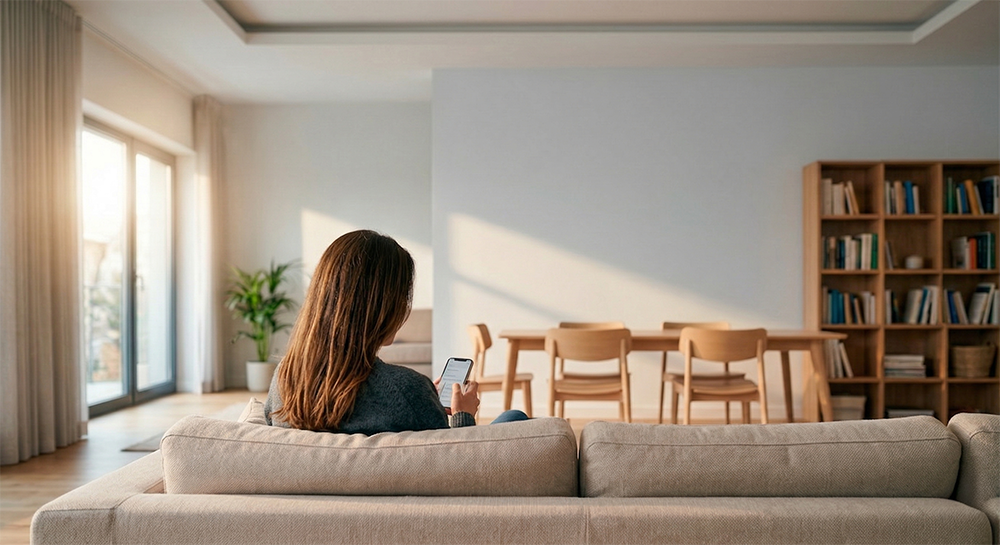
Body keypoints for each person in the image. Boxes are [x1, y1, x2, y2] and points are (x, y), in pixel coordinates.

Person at [264, 229, 527, 434]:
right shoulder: (408, 390)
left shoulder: (284, 378)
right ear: (382, 307)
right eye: (401, 298)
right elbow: (456, 465)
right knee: (515, 418)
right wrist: (463, 415)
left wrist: (427, 399)